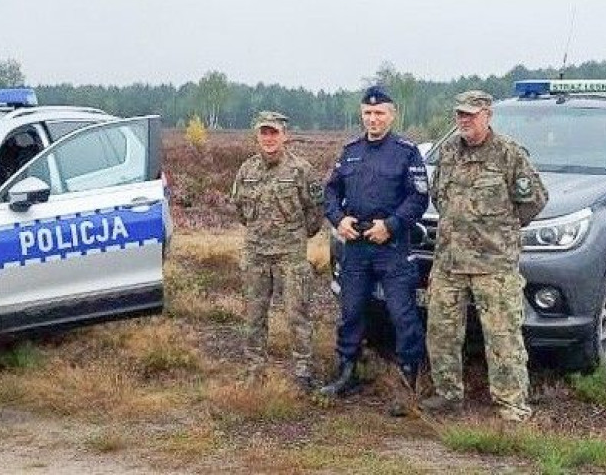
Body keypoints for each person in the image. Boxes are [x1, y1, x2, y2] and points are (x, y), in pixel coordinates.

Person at [420, 90, 548, 422]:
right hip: (449, 261)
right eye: (460, 113)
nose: (464, 119)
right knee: (441, 332)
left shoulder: (508, 155)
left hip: (494, 264)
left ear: (487, 115)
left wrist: (499, 230)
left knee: (503, 337)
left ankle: (511, 405)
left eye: (471, 114)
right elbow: (438, 194)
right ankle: (447, 395)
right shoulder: (448, 151)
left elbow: (534, 200)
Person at [319, 86, 429, 412]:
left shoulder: (406, 152)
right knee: (351, 311)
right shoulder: (350, 150)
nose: (373, 119)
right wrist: (339, 220)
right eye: (368, 113)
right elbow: (330, 191)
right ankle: (347, 372)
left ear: (392, 115)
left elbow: (418, 198)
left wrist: (392, 225)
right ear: (361, 115)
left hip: (392, 247)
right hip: (355, 246)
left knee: (402, 314)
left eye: (379, 113)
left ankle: (409, 381)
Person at [231, 111, 325, 391]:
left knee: (297, 314)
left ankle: (302, 371)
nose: (269, 138)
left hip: (290, 254)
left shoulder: (301, 170)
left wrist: (296, 237)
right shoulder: (246, 170)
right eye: (264, 133)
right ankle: (254, 370)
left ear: (285, 135)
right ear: (257, 136)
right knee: (253, 314)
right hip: (256, 254)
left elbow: (315, 212)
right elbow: (240, 209)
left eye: (274, 133)